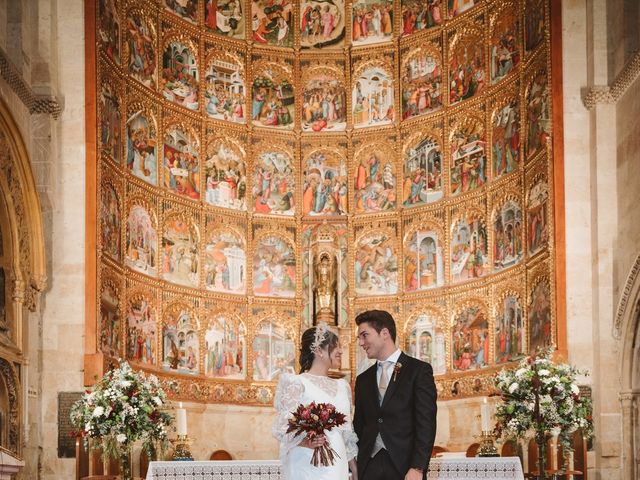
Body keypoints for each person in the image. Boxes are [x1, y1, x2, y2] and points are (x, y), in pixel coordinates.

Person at [354, 310, 437, 480]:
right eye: (359, 338)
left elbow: (426, 423)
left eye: (365, 335)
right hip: (369, 466)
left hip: (405, 467)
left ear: (384, 333)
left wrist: (418, 467)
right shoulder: (363, 379)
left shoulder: (418, 371)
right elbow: (359, 425)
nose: (361, 343)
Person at [273, 324, 358, 480]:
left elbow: (347, 433)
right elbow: (281, 428)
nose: (340, 351)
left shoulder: (343, 386)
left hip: (338, 464)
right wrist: (306, 441)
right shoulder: (296, 382)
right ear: (319, 350)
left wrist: (354, 467)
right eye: (335, 347)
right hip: (308, 462)